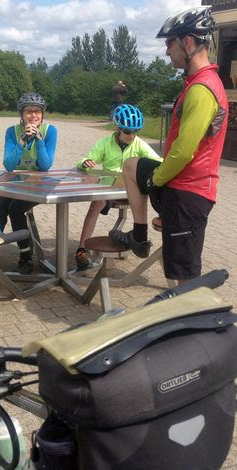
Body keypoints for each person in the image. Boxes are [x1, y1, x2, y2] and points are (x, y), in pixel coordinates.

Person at [109, 6, 228, 285]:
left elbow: (184, 150)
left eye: (169, 44)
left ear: (187, 42)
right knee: (131, 164)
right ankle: (139, 235)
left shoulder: (202, 89)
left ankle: (192, 323)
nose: (166, 52)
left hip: (189, 194)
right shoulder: (197, 83)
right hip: (179, 186)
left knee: (184, 281)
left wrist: (155, 181)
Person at [75, 104, 162, 270]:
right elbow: (86, 159)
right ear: (117, 127)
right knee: (95, 205)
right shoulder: (105, 143)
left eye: (135, 132)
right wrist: (85, 163)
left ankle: (138, 239)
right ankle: (81, 249)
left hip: (131, 191)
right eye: (127, 131)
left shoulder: (139, 144)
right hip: (109, 189)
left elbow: (157, 161)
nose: (132, 135)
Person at [0, 92, 57, 274]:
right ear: (21, 114)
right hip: (15, 180)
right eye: (28, 112)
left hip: (39, 181)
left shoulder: (49, 131)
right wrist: (21, 141)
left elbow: (45, 165)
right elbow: (9, 165)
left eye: (37, 111)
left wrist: (38, 140)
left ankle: (26, 256)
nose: (33, 116)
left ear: (42, 114)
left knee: (15, 208)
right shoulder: (12, 132)